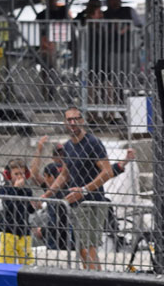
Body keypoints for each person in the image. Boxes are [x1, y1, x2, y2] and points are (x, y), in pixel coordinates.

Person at [41, 107, 115, 270]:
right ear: (65, 123)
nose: (73, 123)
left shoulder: (93, 143)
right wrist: (46, 195)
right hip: (76, 204)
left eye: (76, 119)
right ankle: (94, 279)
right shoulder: (67, 146)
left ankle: (95, 282)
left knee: (87, 247)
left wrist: (84, 190)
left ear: (82, 120)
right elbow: (64, 175)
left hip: (92, 201)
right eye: (69, 120)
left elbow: (107, 171)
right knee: (84, 248)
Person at [0, 159, 40, 265]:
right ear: (9, 175)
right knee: (7, 261)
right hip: (9, 230)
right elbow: (9, 206)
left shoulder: (27, 191)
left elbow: (28, 210)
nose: (20, 176)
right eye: (16, 174)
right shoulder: (5, 190)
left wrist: (35, 206)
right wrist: (16, 189)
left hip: (24, 230)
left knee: (27, 262)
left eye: (22, 174)